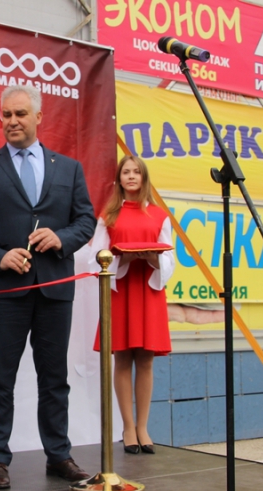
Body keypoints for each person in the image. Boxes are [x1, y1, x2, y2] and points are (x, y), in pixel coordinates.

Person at [0, 85, 96, 489]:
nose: (13, 121)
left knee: (54, 378)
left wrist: (61, 238)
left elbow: (85, 220)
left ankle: (59, 455)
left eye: (20, 113)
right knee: (0, 379)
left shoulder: (69, 168)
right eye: (6, 115)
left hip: (55, 287)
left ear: (39, 117)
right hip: (4, 290)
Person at [91, 155, 175, 455]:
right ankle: (127, 427)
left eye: (136, 172)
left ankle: (143, 427)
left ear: (144, 177)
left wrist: (153, 258)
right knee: (123, 359)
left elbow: (170, 258)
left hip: (149, 291)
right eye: (126, 172)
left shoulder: (160, 216)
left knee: (147, 360)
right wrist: (122, 259)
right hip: (121, 289)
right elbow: (96, 256)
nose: (131, 176)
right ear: (119, 178)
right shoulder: (108, 215)